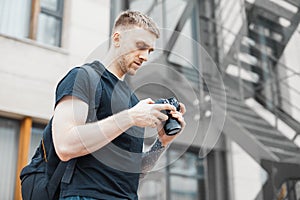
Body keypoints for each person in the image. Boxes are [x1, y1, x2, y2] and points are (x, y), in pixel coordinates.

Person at [23, 10, 186, 200]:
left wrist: (162, 143)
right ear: (117, 39)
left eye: (149, 51)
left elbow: (132, 173)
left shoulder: (133, 102)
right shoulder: (83, 78)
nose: (145, 57)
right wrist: (130, 117)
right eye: (140, 46)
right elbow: (65, 145)